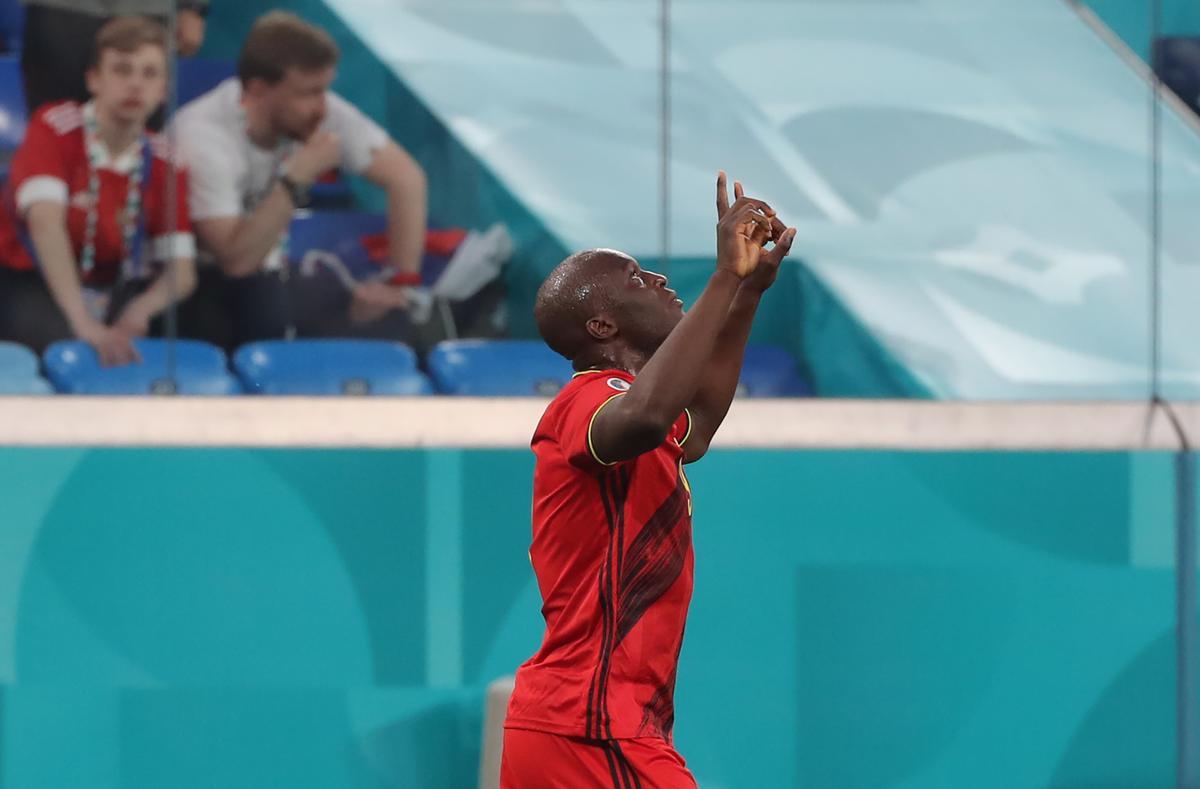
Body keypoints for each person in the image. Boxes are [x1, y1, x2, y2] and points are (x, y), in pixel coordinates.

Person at [500, 172, 797, 787]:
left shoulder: (630, 405)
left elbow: (697, 425)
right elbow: (648, 417)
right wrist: (722, 278)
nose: (660, 280)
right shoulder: (589, 398)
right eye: (637, 278)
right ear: (603, 327)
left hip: (590, 721)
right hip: (591, 724)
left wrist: (745, 294)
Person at [172, 10, 428, 351]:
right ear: (259, 89)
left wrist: (399, 283)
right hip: (204, 283)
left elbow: (407, 179)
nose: (322, 107)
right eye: (309, 92)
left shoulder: (319, 109)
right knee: (261, 305)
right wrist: (296, 179)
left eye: (325, 90)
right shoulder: (201, 134)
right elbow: (235, 262)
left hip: (272, 269)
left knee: (391, 319)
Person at [0, 15, 195, 366]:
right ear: (94, 79)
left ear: (164, 89)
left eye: (149, 74)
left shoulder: (168, 158)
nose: (135, 85)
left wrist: (141, 309)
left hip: (114, 287)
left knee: (180, 334)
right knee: (64, 343)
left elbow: (182, 271)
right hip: (31, 279)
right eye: (122, 70)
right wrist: (83, 323)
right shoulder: (55, 125)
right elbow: (45, 225)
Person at [21, 0, 209, 115]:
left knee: (141, 135)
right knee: (54, 121)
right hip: (60, 8)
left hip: (146, 7)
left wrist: (193, 6)